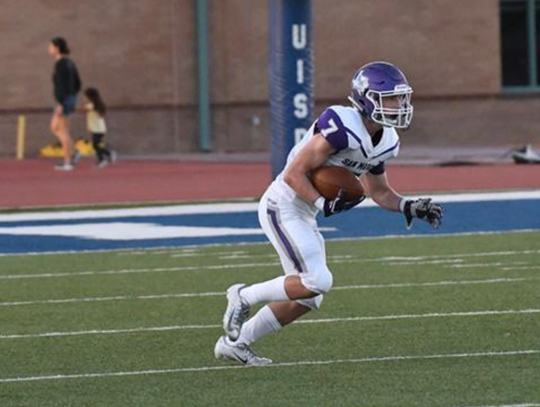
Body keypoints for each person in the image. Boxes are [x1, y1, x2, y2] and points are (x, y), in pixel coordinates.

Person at [214, 61, 444, 365]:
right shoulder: (342, 125)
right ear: (366, 98)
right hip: (282, 204)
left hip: (305, 211)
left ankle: (237, 343)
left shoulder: (387, 141)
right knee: (316, 281)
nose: (399, 104)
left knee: (309, 297)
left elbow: (378, 191)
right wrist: (323, 203)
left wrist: (408, 205)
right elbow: (293, 174)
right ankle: (243, 295)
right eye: (390, 98)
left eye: (401, 97)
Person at [48, 37, 82, 171]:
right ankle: (74, 152)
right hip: (68, 99)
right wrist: (71, 97)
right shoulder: (69, 63)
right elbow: (78, 83)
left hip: (64, 101)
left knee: (62, 131)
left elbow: (66, 85)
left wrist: (62, 103)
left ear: (57, 48)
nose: (49, 49)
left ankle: (68, 161)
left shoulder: (62, 64)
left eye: (50, 46)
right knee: (54, 127)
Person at [84, 87, 115, 168]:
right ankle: (108, 154)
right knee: (96, 144)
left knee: (95, 145)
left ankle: (102, 159)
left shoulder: (91, 105)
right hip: (100, 128)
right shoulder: (99, 104)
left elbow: (82, 108)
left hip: (97, 129)